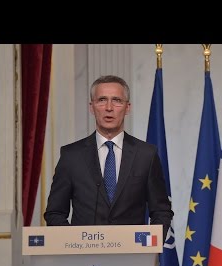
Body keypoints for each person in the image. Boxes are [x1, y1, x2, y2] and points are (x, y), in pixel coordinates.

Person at [44, 75, 173, 239]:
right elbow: (55, 213)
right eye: (102, 100)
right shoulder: (71, 156)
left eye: (117, 100)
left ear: (127, 108)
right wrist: (74, 243)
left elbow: (161, 211)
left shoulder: (146, 155)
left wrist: (147, 245)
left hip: (131, 258)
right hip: (84, 258)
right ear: (92, 107)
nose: (109, 107)